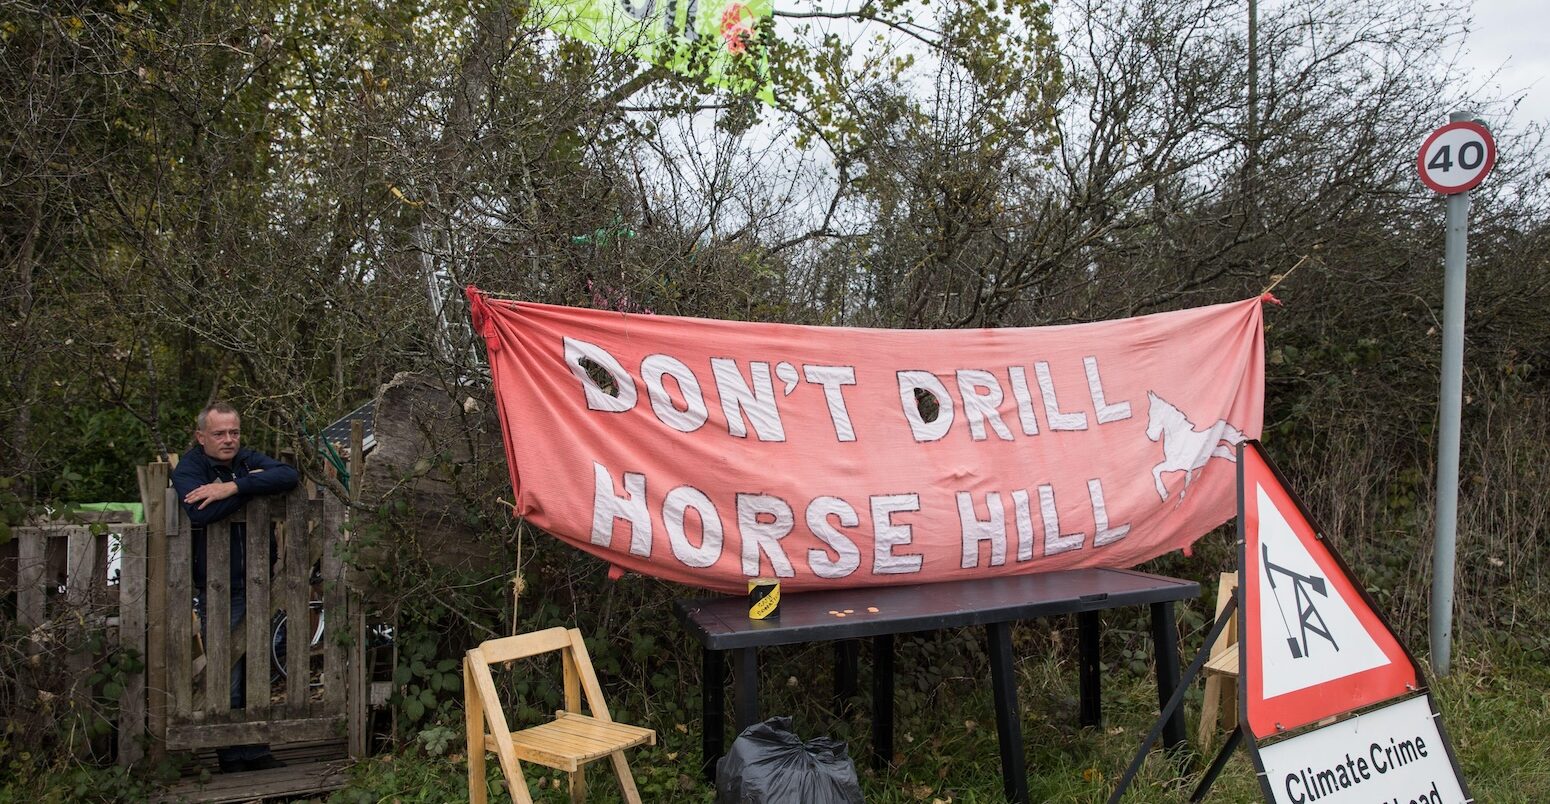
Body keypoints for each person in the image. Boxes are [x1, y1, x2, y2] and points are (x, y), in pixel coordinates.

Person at [171, 402, 299, 773]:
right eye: (219, 433)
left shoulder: (244, 461)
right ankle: (230, 755)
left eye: (234, 432)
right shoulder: (190, 468)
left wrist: (232, 487)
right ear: (200, 437)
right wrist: (252, 489)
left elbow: (288, 476)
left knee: (257, 667)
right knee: (228, 672)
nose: (229, 440)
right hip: (218, 587)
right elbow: (201, 512)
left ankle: (256, 750)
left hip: (259, 582)